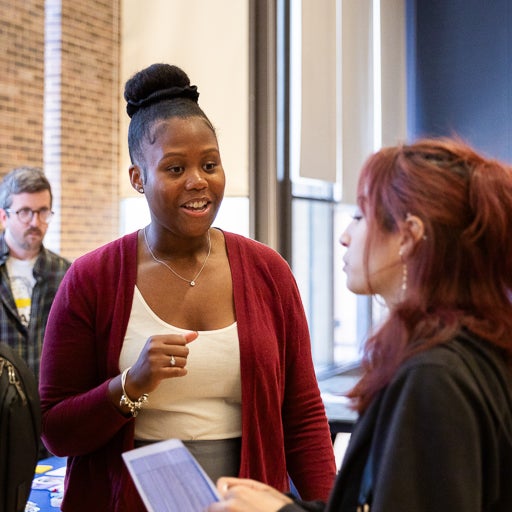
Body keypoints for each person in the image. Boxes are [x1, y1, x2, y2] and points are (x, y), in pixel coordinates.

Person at [39, 63, 336, 512]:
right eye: (175, 168)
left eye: (210, 164)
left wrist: (330, 506)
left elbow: (304, 415)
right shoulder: (91, 279)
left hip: (247, 501)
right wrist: (129, 385)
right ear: (138, 178)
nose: (198, 181)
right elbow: (55, 430)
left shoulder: (267, 271)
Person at [206, 137, 512, 512]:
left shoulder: (434, 377)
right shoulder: (473, 348)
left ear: (408, 237)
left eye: (360, 216)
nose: (345, 236)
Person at [0, 167, 70, 458]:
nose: (36, 221)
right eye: (25, 212)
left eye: (43, 212)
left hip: (46, 422)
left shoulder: (66, 273)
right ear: (4, 216)